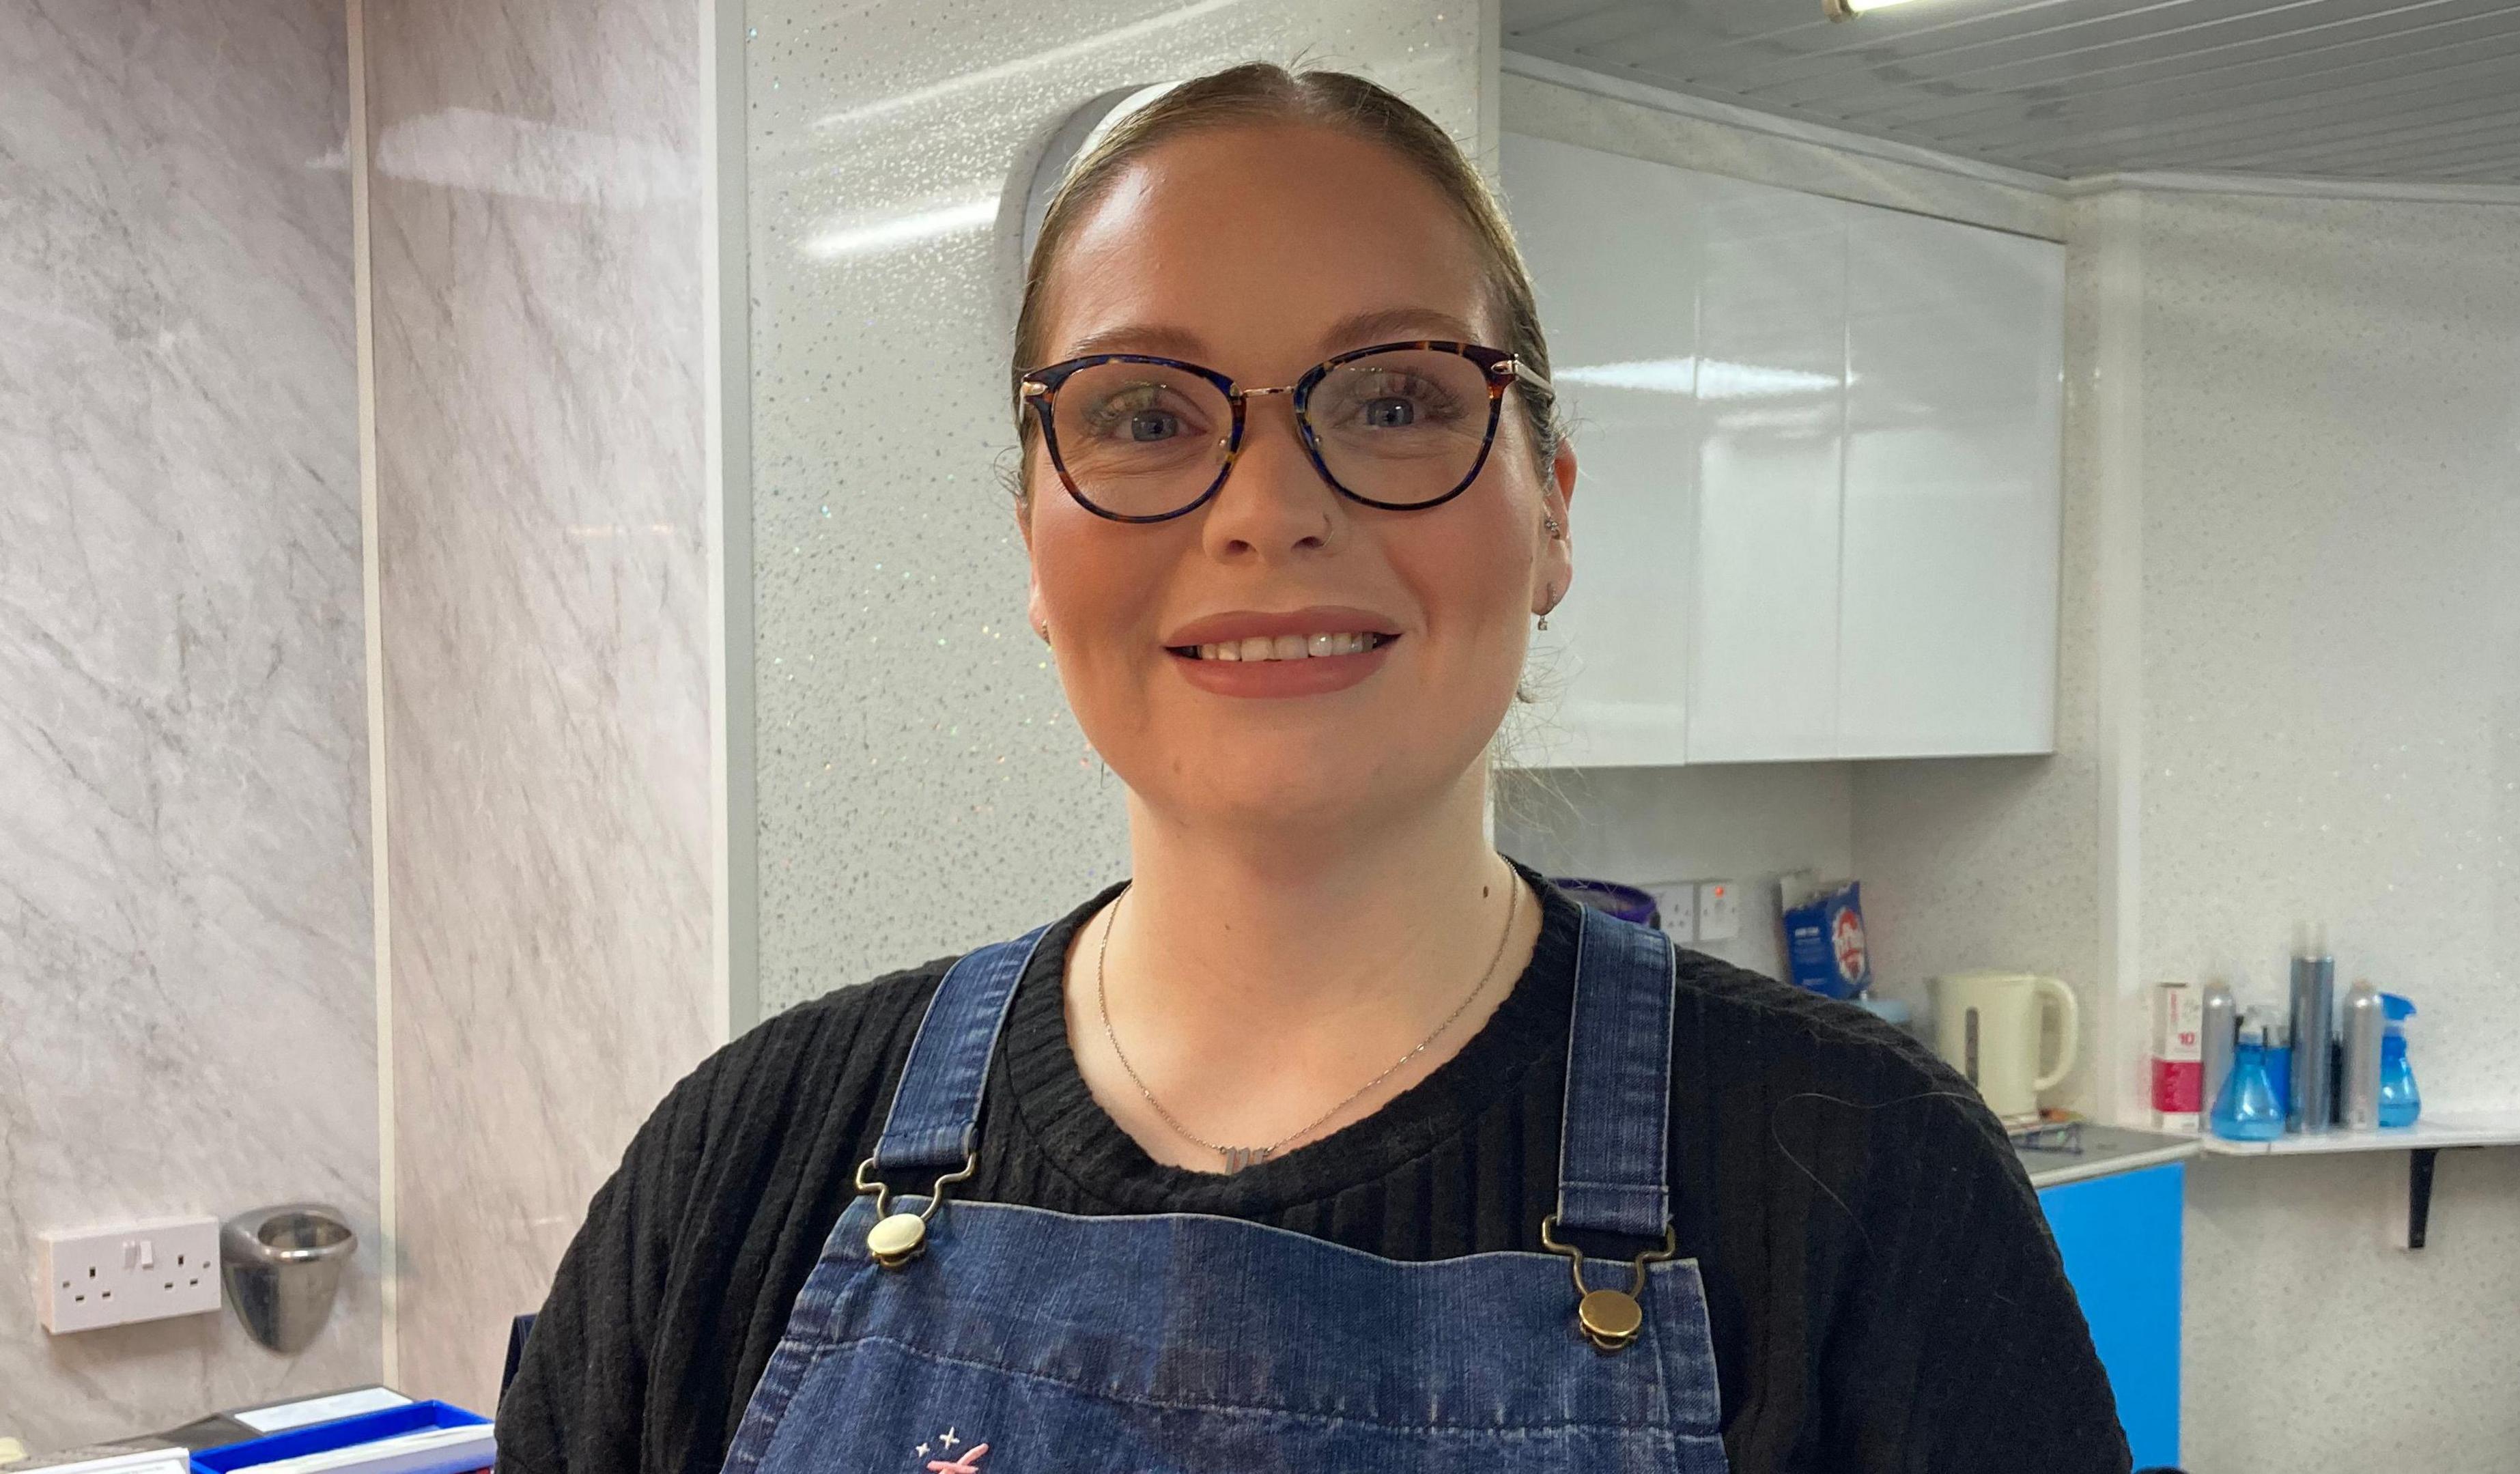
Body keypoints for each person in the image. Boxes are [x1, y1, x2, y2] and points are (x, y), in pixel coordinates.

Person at [495, 61, 2128, 1473]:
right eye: (1143, 414)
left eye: (1399, 398)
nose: (1266, 504)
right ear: (1031, 539)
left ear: (1553, 510)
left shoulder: (1862, 1182)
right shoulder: (738, 1167)